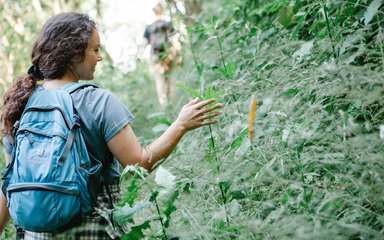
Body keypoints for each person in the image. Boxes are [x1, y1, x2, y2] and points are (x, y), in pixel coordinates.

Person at [0, 12, 222, 239]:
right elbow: (139, 164)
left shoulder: (20, 105)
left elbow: (8, 185)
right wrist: (181, 124)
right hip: (91, 231)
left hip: (34, 234)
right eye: (95, 50)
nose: (100, 57)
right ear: (75, 53)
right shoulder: (98, 101)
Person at [143, 3, 182, 107]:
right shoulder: (167, 23)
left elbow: (145, 43)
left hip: (155, 55)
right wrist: (179, 54)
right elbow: (174, 39)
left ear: (153, 12)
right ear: (162, 10)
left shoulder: (149, 27)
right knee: (168, 78)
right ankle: (172, 104)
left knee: (159, 80)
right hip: (167, 54)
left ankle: (164, 105)